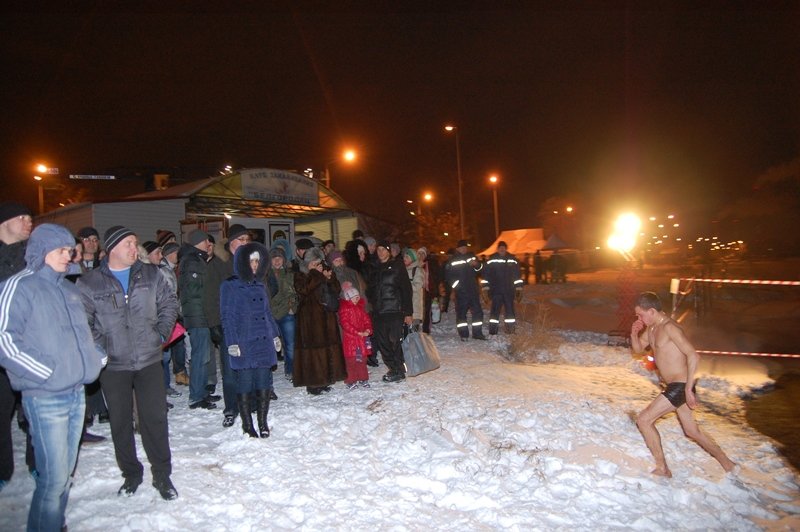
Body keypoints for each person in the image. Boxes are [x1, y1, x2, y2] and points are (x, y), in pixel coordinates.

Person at [0, 224, 106, 531]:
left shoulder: (68, 288)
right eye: (61, 250)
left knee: (65, 475)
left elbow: (82, 335)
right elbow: (5, 339)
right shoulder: (18, 286)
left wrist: (94, 358)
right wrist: (45, 372)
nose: (68, 255)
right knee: (53, 479)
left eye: (69, 250)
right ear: (42, 251)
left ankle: (54, 523)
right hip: (45, 396)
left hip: (76, 393)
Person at [78, 226, 180, 500]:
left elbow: (170, 303)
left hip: (148, 359)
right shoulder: (90, 283)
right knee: (120, 422)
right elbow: (83, 322)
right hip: (113, 365)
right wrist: (102, 346)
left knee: (155, 419)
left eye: (135, 242)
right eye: (129, 244)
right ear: (112, 249)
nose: (135, 248)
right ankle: (131, 474)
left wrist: (160, 333)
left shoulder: (151, 274)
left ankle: (162, 475)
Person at [630, 292, 736, 478]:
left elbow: (693, 355)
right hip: (674, 385)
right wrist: (634, 331)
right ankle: (728, 464)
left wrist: (688, 389)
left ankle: (662, 468)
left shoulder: (670, 328)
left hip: (680, 385)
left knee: (644, 420)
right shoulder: (653, 328)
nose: (639, 318)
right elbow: (638, 349)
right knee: (692, 431)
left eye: (640, 315)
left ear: (652, 311)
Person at [221, 242, 281, 438]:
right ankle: (248, 425)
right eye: (251, 261)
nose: (254, 265)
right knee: (245, 382)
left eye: (257, 261)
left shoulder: (260, 284)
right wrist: (231, 342)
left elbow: (267, 313)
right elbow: (227, 316)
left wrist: (275, 335)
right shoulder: (230, 285)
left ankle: (262, 422)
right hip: (244, 340)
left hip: (263, 340)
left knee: (264, 381)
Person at [0, 201, 34, 492]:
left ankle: (38, 465)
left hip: (31, 345)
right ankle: (2, 468)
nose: (28, 222)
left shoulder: (33, 258)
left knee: (36, 409)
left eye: (30, 218)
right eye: (21, 217)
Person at [293, 247, 347, 395]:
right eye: (313, 262)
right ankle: (313, 383)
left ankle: (325, 379)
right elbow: (304, 289)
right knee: (313, 351)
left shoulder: (324, 271)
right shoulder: (300, 275)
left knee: (326, 348)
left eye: (318, 262)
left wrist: (330, 278)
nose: (317, 265)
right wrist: (316, 274)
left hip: (327, 316)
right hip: (310, 318)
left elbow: (336, 289)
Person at [178, 229, 219, 410]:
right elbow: (196, 290)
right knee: (200, 355)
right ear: (197, 243)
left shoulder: (195, 259)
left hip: (200, 314)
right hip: (198, 316)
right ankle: (196, 396)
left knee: (204, 356)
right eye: (205, 242)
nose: (208, 244)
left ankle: (202, 392)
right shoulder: (192, 261)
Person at [367, 240, 413, 382]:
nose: (381, 252)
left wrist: (408, 312)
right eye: (378, 249)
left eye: (383, 249)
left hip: (394, 311)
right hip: (379, 312)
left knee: (395, 342)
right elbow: (370, 289)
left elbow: (406, 289)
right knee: (382, 343)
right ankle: (393, 368)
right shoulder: (374, 268)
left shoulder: (397, 266)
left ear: (389, 251)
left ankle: (398, 369)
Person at [267, 247, 298, 381]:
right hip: (270, 313)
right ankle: (266, 374)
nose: (277, 261)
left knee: (290, 343)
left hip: (286, 312)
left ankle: (291, 370)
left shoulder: (290, 274)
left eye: (280, 258)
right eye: (274, 258)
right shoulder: (265, 275)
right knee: (268, 345)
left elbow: (296, 292)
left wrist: (292, 306)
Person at [445, 240, 486, 341]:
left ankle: (477, 333)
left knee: (478, 313)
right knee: (461, 314)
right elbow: (448, 277)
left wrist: (476, 264)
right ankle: (464, 335)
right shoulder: (453, 260)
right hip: (461, 293)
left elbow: (480, 269)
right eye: (462, 247)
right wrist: (457, 287)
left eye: (465, 247)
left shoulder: (472, 256)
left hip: (473, 291)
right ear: (458, 248)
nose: (464, 249)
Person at [482, 241, 523, 335]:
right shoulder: (491, 260)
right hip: (496, 291)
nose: (502, 249)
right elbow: (486, 276)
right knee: (495, 311)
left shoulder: (512, 260)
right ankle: (493, 331)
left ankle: (511, 330)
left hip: (509, 291)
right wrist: (485, 288)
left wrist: (519, 288)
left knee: (510, 312)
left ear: (506, 248)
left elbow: (517, 275)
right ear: (497, 249)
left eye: (503, 247)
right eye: (500, 247)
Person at [337, 287, 373, 389]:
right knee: (351, 361)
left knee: (361, 359)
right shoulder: (345, 309)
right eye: (355, 298)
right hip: (351, 341)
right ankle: (351, 380)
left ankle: (362, 378)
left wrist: (367, 330)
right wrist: (356, 332)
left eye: (358, 297)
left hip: (361, 341)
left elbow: (367, 321)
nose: (357, 299)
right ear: (349, 298)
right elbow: (345, 324)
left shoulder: (360, 309)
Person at [403, 248, 424, 329]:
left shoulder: (417, 270)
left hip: (414, 309)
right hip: (404, 308)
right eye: (404, 256)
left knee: (413, 333)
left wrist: (404, 286)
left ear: (413, 258)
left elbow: (417, 286)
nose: (404, 258)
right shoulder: (402, 269)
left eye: (407, 257)